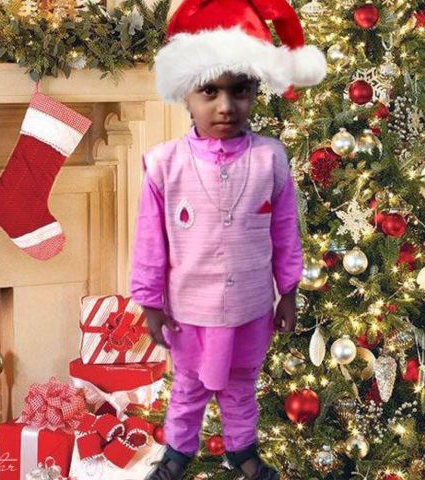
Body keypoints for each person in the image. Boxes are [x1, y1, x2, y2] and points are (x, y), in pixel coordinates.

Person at [130, 1, 326, 479]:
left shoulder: (270, 159)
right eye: (209, 91)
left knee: (241, 385)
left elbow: (285, 231)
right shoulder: (165, 164)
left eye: (239, 90)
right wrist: (149, 303)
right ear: (186, 94)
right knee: (188, 387)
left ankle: (243, 452)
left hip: (251, 306)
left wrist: (288, 292)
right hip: (189, 309)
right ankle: (177, 454)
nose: (225, 106)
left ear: (256, 90)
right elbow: (150, 240)